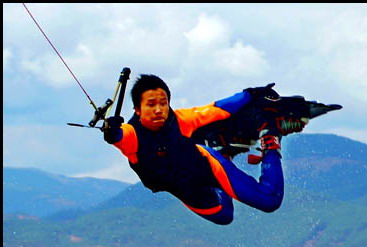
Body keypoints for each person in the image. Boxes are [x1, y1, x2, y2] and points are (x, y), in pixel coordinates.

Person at [103, 74, 304, 225]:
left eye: (163, 104)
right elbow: (119, 136)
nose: (158, 110)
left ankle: (270, 140)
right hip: (185, 188)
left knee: (269, 200)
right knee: (225, 216)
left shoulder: (180, 119)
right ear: (138, 110)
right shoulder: (132, 135)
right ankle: (220, 146)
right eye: (151, 104)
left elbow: (218, 109)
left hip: (206, 166)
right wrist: (111, 132)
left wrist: (251, 94)